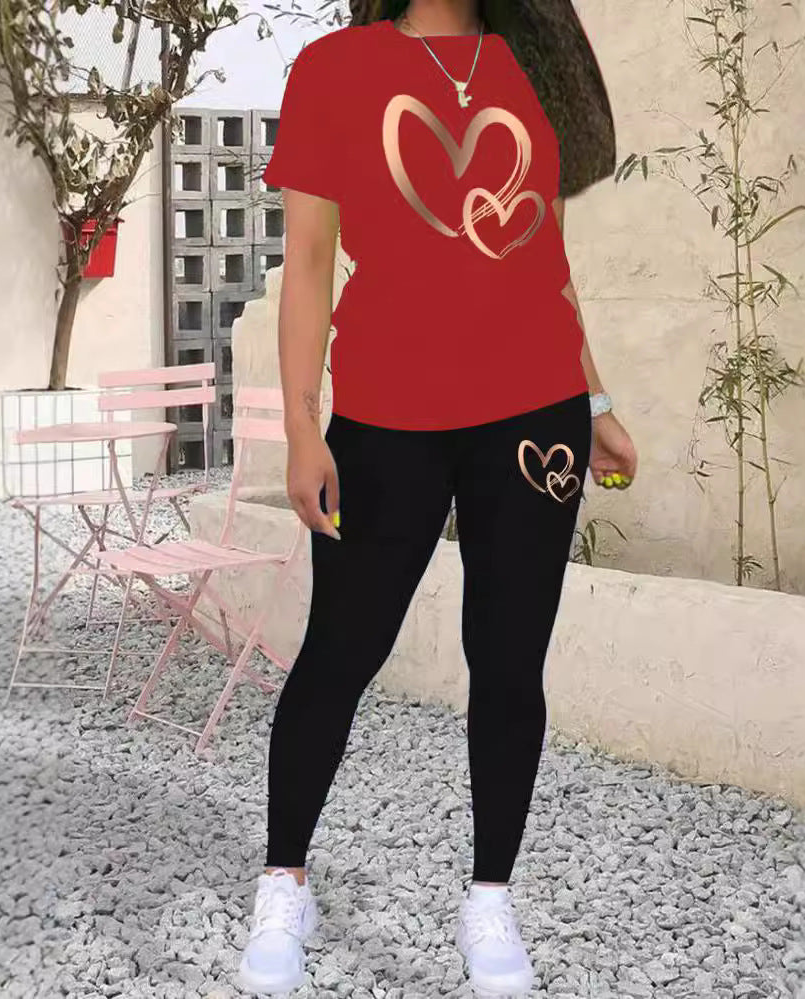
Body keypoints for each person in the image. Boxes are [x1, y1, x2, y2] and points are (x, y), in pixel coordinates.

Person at [237, 0, 636, 994]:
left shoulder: (528, 67)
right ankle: (284, 878)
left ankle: (489, 901)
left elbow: (543, 251)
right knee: (341, 651)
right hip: (385, 416)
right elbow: (312, 261)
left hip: (535, 409)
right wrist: (300, 423)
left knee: (508, 664)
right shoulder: (334, 67)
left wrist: (597, 400)